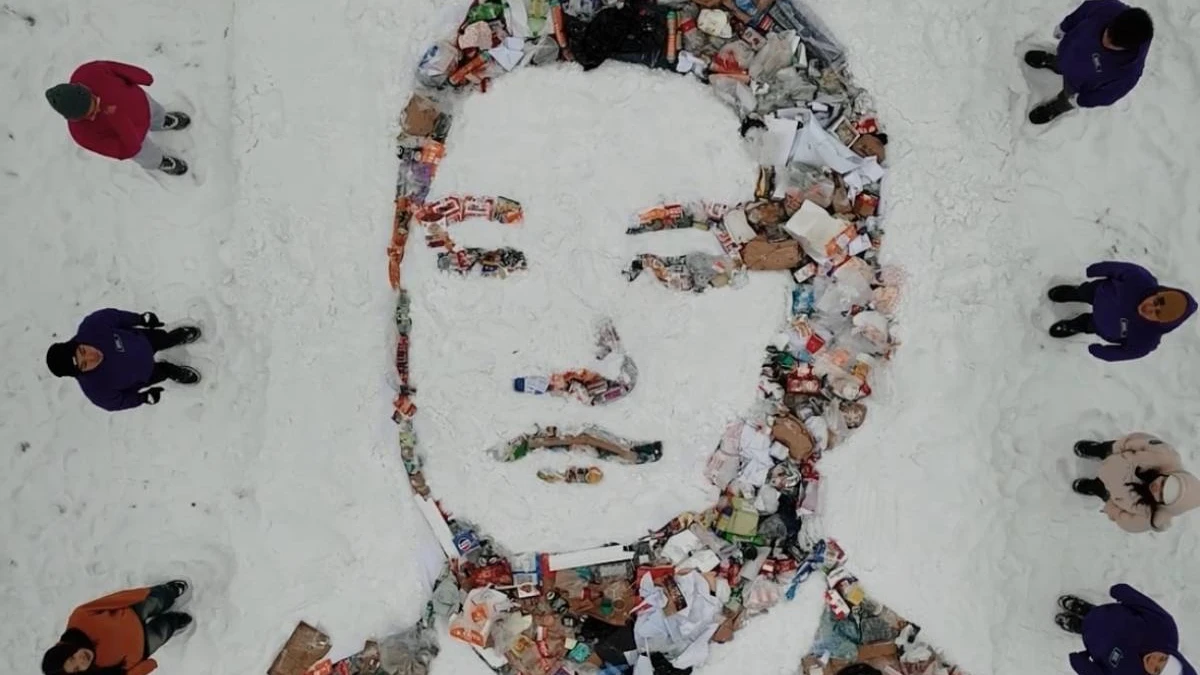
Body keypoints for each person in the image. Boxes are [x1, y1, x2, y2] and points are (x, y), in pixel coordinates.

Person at [45, 61, 191, 175]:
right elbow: (126, 151)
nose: (97, 108)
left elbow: (117, 68)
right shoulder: (82, 135)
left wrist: (142, 77)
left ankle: (161, 121)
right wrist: (121, 122)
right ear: (75, 118)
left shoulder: (88, 72)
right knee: (146, 155)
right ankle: (159, 161)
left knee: (155, 111)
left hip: (142, 103)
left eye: (94, 100)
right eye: (90, 113)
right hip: (134, 139)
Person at [45, 308, 202, 412]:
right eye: (85, 364)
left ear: (77, 343)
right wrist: (142, 398)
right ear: (80, 373)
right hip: (145, 375)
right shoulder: (96, 390)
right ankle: (170, 370)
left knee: (163, 339)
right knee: (162, 372)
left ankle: (174, 338)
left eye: (83, 351)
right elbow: (119, 402)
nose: (93, 356)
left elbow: (117, 317)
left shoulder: (92, 326)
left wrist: (140, 319)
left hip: (144, 341)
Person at [1024, 1, 1153, 125]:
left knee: (1068, 97)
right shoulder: (1106, 6)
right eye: (1107, 33)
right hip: (1068, 52)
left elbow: (1107, 96)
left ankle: (1057, 106)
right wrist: (1064, 27)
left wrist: (1082, 101)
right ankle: (1056, 63)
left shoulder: (1128, 72)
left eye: (1112, 45)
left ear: (1128, 48)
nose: (1105, 42)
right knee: (1062, 60)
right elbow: (1082, 11)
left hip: (1076, 84)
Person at [1046, 261, 1195, 362]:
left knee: (1087, 324)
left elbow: (1127, 353)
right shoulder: (1140, 279)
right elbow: (1118, 269)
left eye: (1157, 314)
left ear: (1162, 323)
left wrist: (1104, 353)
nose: (1149, 308)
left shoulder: (1146, 340)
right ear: (1158, 294)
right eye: (1155, 302)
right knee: (1085, 292)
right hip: (1098, 293)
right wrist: (1096, 270)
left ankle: (1076, 325)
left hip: (1102, 326)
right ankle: (1075, 293)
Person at [41, 582, 193, 675]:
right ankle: (174, 621)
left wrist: (143, 594)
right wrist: (145, 667)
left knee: (156, 600)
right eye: (76, 669)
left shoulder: (80, 618)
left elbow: (111, 601)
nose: (81, 661)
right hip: (140, 649)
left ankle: (169, 592)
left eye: (71, 657)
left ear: (65, 648)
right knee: (162, 631)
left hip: (132, 614)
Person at [1053, 585, 1194, 675]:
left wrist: (1082, 664)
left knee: (1088, 630)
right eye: (1163, 658)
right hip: (1108, 616)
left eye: (1157, 670)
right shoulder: (1164, 629)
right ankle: (1086, 609)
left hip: (1095, 642)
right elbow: (1146, 605)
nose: (1153, 661)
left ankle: (1080, 626)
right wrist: (1124, 593)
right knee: (1096, 615)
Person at [1072, 433, 1199, 533]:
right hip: (1115, 458)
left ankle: (1096, 487)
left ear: (1164, 505)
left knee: (1101, 488)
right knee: (1106, 450)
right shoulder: (1164, 455)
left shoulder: (1149, 517)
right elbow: (1137, 441)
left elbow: (1125, 522)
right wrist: (1115, 448)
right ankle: (1100, 450)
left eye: (1162, 495)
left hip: (1111, 491)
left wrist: (1110, 504)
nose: (1157, 487)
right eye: (1165, 482)